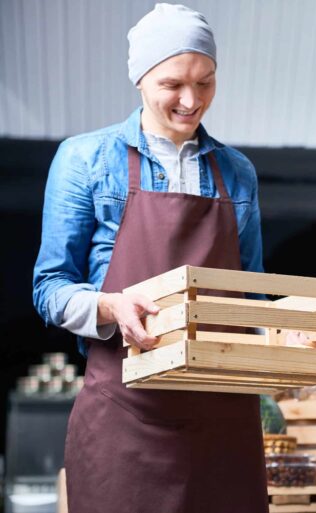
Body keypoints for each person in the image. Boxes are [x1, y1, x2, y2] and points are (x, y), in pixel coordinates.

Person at [32, 4, 268, 512]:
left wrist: (285, 339)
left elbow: (252, 292)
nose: (191, 100)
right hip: (125, 415)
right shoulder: (86, 160)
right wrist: (113, 307)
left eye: (205, 82)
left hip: (223, 420)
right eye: (172, 84)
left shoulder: (238, 172)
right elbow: (49, 289)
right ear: (140, 78)